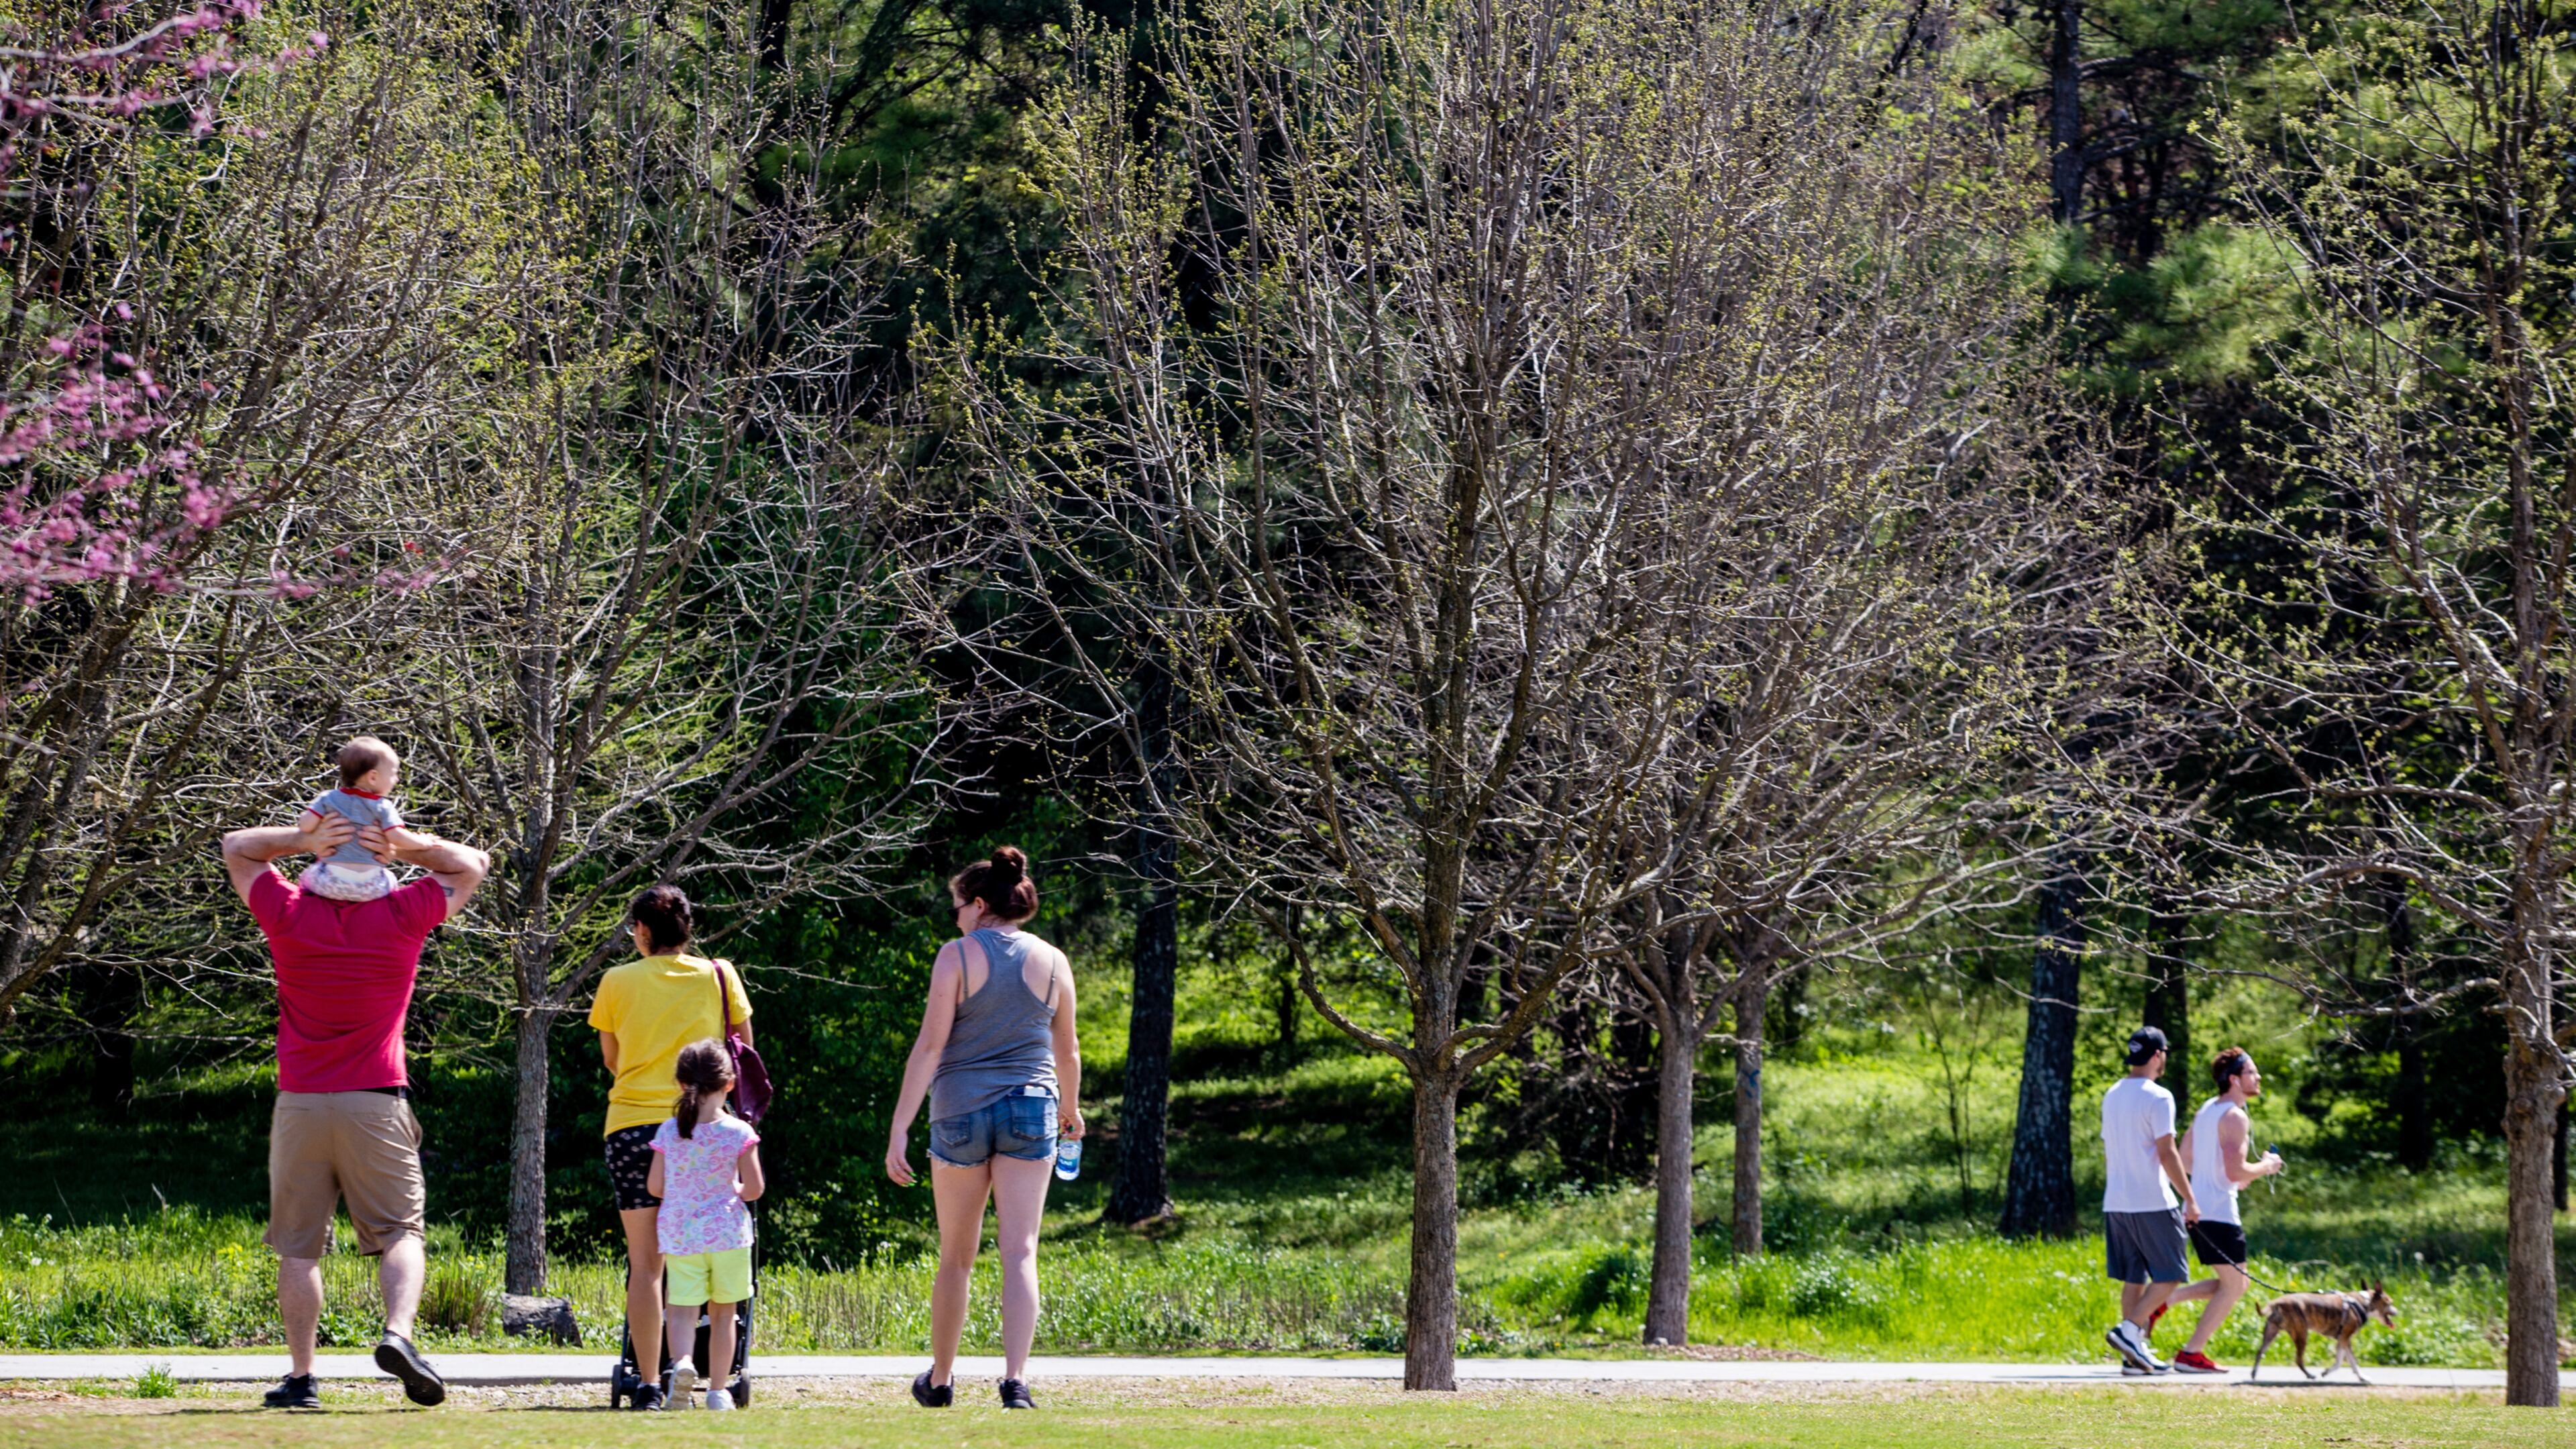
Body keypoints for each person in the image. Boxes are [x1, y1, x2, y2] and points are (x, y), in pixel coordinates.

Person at [221, 798, 490, 1410]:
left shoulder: (288, 914)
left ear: (315, 875)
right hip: (375, 1099)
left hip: (301, 1103)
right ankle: (398, 1335)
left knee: (299, 1246)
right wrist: (400, 842)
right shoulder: (400, 913)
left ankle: (301, 1378)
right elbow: (473, 863)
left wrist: (304, 836)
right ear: (381, 878)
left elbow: (237, 846)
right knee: (401, 1231)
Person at [885, 847, 1083, 1412]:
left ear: (977, 905)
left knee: (956, 1256)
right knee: (1020, 1251)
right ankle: (1015, 1381)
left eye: (957, 906)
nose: (954, 917)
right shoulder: (1054, 960)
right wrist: (1070, 1109)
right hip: (1031, 1106)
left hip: (960, 1110)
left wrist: (900, 1128)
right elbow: (1066, 1049)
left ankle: (942, 1380)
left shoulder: (957, 956)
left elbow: (930, 1047)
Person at [589, 884, 753, 1411]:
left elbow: (613, 1059)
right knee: (711, 1247)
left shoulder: (616, 981)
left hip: (633, 1127)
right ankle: (718, 1376)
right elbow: (743, 1051)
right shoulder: (719, 976)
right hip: (707, 1128)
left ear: (641, 930)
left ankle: (652, 1382)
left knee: (647, 1263)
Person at [646, 1040, 764, 1412]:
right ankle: (717, 1391)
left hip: (681, 1234)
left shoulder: (669, 1131)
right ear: (729, 1084)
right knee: (724, 1313)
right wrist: (734, 1187)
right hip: (728, 1235)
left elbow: (655, 1187)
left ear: (682, 1084)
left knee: (681, 1310)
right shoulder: (740, 1132)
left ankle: (681, 1365)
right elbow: (754, 1189)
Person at [2099, 1024, 2221, 1374]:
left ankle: (2133, 1356)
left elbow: (2110, 1150)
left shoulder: (2113, 1093)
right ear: (2158, 1055)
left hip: (2116, 1201)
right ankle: (2130, 1331)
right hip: (2152, 1200)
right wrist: (2190, 1198)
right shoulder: (2159, 1096)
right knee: (2171, 1274)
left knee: (2133, 1278)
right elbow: (2167, 1153)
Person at [2169, 1046, 2286, 1373]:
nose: (2258, 1077)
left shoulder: (2208, 1108)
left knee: (2234, 1283)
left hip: (2198, 1209)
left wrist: (2224, 1176)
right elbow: (2236, 1172)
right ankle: (2191, 1353)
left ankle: (2165, 1301)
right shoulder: (2235, 1115)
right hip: (2218, 1212)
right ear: (2234, 1079)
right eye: (2252, 1072)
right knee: (2235, 1285)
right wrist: (2267, 1165)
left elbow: (2186, 1158)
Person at [293, 737, 410, 902]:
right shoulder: (383, 806)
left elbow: (305, 826)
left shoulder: (328, 798)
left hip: (327, 884)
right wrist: (423, 842)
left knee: (306, 875)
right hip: (372, 888)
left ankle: (306, 901)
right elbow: (397, 836)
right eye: (394, 774)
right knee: (391, 879)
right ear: (373, 777)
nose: (396, 780)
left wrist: (312, 822)